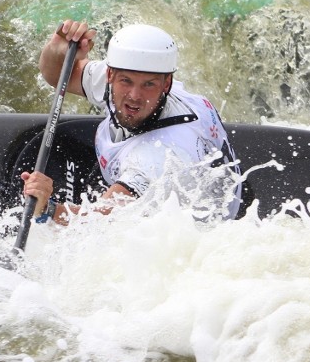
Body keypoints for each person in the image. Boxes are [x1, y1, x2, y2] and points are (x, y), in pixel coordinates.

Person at [22, 19, 242, 225]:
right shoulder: (124, 81)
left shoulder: (163, 158)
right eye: (126, 81)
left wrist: (47, 210)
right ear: (110, 75)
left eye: (149, 85)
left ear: (166, 85)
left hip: (191, 231)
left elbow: (99, 223)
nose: (134, 96)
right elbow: (58, 75)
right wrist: (57, 49)